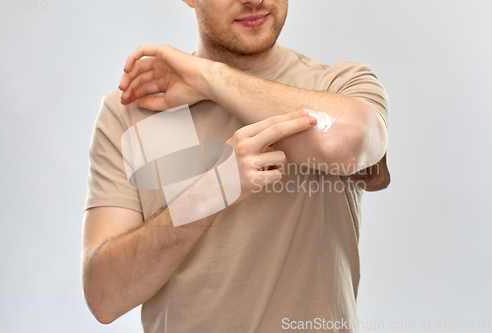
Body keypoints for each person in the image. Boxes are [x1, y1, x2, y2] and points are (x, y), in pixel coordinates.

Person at [80, 0, 391, 332]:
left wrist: (209, 77)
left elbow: (344, 144)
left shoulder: (340, 85)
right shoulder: (132, 110)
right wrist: (207, 195)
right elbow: (104, 298)